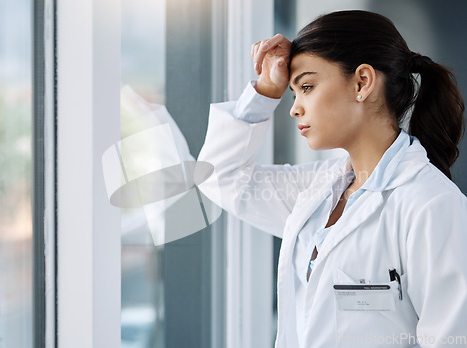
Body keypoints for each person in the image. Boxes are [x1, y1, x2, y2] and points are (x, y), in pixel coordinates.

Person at [197, 10, 467, 348]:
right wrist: (265, 90)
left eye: (307, 86)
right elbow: (220, 178)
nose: (294, 108)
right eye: (293, 92)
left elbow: (452, 339)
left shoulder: (430, 203)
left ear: (362, 82)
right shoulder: (317, 191)